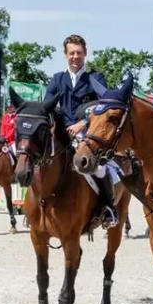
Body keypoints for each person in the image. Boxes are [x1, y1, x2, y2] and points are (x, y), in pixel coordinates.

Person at [43, 34, 118, 228]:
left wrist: (83, 123)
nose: (75, 56)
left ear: (85, 54)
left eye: (78, 53)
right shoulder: (57, 79)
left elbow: (105, 105)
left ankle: (108, 208)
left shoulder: (95, 78)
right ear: (65, 55)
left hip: (88, 133)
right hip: (63, 133)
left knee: (100, 167)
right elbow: (47, 106)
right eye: (71, 53)